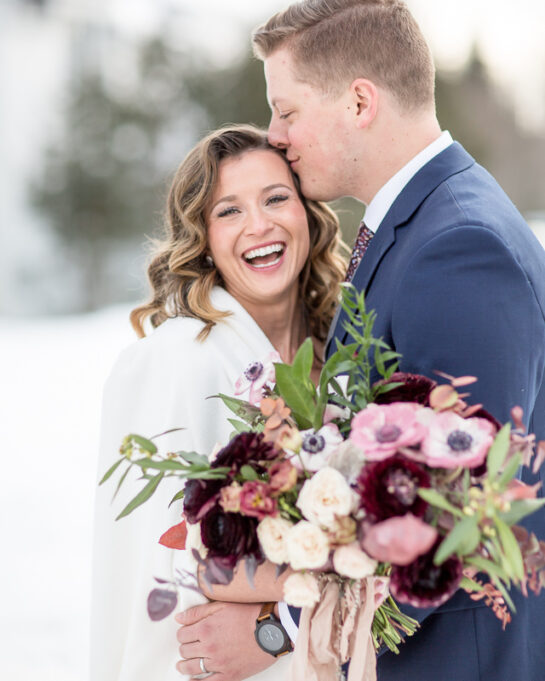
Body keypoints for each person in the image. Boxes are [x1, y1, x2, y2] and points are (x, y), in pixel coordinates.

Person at [175, 2, 545, 680]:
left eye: (286, 110)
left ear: (359, 101)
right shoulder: (420, 221)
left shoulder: (460, 246)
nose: (273, 133)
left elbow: (446, 517)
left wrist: (274, 631)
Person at [90, 124, 347, 681]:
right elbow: (163, 558)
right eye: (228, 211)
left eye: (277, 198)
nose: (260, 225)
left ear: (308, 212)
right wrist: (353, 576)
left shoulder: (341, 348)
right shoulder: (180, 360)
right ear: (201, 238)